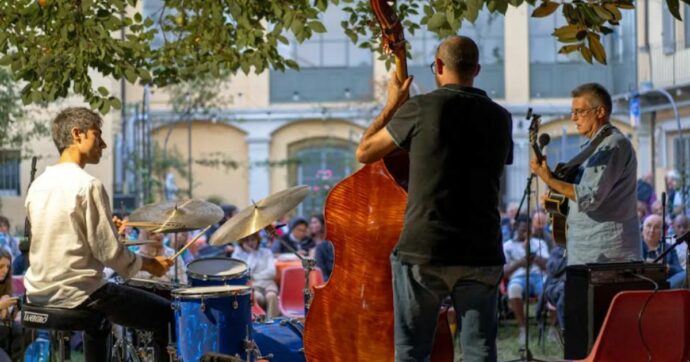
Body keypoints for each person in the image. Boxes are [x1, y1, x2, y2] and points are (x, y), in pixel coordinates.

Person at [355, 36, 513, 361]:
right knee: (480, 351)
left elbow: (365, 152)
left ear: (439, 66)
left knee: (412, 352)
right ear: (477, 70)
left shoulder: (420, 108)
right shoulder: (501, 117)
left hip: (424, 248)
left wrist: (393, 103)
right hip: (482, 249)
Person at [24, 107, 174, 361]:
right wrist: (151, 265)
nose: (103, 144)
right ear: (77, 134)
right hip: (76, 292)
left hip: (39, 291)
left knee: (101, 319)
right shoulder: (88, 184)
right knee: (168, 316)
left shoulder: (38, 185)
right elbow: (110, 253)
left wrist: (107, 231)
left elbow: (62, 235)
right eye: (97, 135)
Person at [531, 83, 640, 266]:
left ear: (600, 112)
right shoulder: (596, 147)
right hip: (588, 254)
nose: (573, 118)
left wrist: (548, 179)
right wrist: (557, 196)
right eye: (572, 112)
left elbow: (589, 197)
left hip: (607, 258)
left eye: (579, 111)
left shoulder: (613, 145)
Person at [502, 217, 549, 342]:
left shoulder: (539, 243)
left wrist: (532, 253)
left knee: (550, 288)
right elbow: (504, 273)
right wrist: (519, 263)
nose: (525, 232)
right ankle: (523, 329)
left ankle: (551, 327)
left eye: (528, 230)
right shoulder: (507, 246)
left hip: (538, 276)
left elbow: (548, 266)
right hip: (518, 277)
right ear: (516, 227)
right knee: (513, 289)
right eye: (523, 229)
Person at [232, 232, 280, 318]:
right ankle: (260, 325)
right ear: (242, 242)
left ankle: (272, 324)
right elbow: (246, 273)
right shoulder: (237, 255)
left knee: (272, 296)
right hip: (253, 286)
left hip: (267, 284)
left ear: (258, 240)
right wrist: (252, 254)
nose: (250, 243)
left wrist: (255, 276)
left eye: (253, 239)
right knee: (257, 298)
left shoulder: (266, 252)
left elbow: (272, 272)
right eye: (247, 240)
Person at [641, 215, 685, 288]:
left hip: (666, 284)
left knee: (685, 275)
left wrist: (668, 268)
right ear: (642, 228)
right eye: (648, 226)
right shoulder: (637, 247)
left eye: (657, 227)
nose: (652, 230)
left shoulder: (669, 248)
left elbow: (679, 270)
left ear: (662, 232)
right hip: (643, 283)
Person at [0, 249, 24, 360]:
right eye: (1, 266)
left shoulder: (5, 286)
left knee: (22, 330)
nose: (5, 270)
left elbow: (5, 319)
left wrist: (11, 311)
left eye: (8, 267)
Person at [309, 214, 334, 281]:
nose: (312, 225)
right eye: (311, 223)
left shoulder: (328, 242)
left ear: (323, 224)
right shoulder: (308, 241)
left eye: (315, 222)